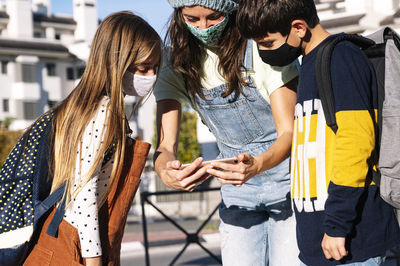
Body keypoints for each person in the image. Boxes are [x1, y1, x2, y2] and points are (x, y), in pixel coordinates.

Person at [236, 0, 400, 265]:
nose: (263, 52)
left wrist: (337, 225)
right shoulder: (309, 65)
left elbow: (356, 142)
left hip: (354, 241)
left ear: (298, 27)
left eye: (267, 43)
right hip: (323, 242)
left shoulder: (341, 57)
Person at [153, 0, 300, 265]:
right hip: (236, 194)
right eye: (192, 19)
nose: (203, 27)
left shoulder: (261, 46)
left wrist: (257, 165)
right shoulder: (173, 61)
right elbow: (165, 146)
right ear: (178, 15)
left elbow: (290, 132)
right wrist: (165, 170)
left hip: (289, 185)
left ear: (232, 11)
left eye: (213, 17)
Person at [28, 11, 161, 266]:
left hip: (63, 235)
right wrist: (94, 262)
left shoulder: (82, 105)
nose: (151, 76)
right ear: (116, 62)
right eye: (143, 68)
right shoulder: (103, 111)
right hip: (74, 242)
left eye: (155, 68)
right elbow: (84, 196)